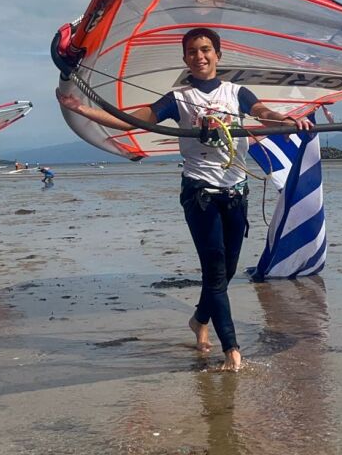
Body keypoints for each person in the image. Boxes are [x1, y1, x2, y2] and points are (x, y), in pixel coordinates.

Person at [58, 27, 312, 372]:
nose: (200, 56)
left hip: (236, 193)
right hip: (200, 195)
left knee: (228, 269)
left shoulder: (236, 93)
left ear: (218, 55)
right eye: (192, 51)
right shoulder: (178, 98)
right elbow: (131, 121)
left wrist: (286, 121)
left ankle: (198, 321)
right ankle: (231, 351)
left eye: (206, 49)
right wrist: (82, 109)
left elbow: (265, 113)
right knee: (216, 272)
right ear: (185, 58)